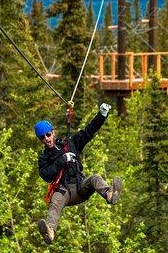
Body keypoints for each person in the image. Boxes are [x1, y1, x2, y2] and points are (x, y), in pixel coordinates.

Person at [34, 103, 122, 245]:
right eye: (43, 138)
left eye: (48, 134)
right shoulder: (44, 158)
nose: (47, 139)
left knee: (94, 178)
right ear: (41, 140)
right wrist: (62, 160)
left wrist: (102, 115)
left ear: (53, 132)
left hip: (81, 187)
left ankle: (110, 195)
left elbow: (89, 131)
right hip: (65, 192)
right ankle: (50, 231)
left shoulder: (70, 143)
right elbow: (46, 175)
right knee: (55, 202)